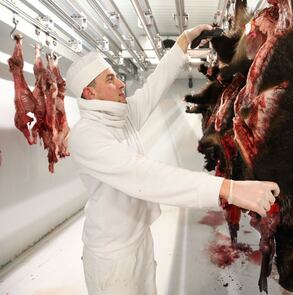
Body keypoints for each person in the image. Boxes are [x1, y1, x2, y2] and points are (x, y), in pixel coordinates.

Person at [66, 24, 279, 295]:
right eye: (110, 79)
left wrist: (183, 42)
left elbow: (153, 87)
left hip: (139, 240)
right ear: (89, 93)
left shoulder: (121, 116)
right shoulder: (86, 136)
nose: (121, 83)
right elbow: (143, 175)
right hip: (112, 253)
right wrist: (230, 189)